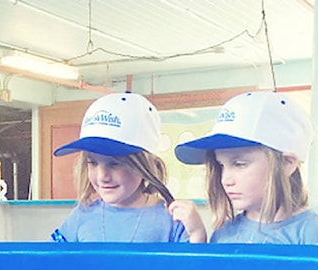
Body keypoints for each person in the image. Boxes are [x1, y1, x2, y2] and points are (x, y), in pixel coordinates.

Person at [174, 91, 318, 245]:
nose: (225, 180)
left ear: (286, 163)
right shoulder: (224, 233)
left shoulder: (313, 235)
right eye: (221, 165)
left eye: (239, 164)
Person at [50, 92, 206, 243]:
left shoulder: (171, 219)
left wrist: (197, 234)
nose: (102, 176)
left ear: (144, 165)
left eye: (115, 163)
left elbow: (193, 268)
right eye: (93, 163)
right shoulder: (82, 214)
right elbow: (48, 264)